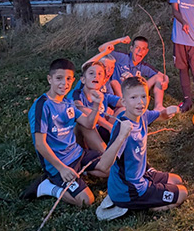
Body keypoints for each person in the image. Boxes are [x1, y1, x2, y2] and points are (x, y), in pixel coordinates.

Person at [24, 59, 132, 207]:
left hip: (77, 154)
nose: (64, 83)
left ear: (73, 80)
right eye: (59, 78)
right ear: (50, 79)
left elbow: (88, 124)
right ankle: (47, 187)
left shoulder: (67, 102)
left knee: (111, 168)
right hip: (59, 164)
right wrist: (61, 168)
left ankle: (81, 172)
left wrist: (96, 104)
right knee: (86, 200)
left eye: (68, 79)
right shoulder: (42, 106)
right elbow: (40, 144)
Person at [96, 76, 187, 220]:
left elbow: (160, 115)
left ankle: (149, 194)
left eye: (143, 96)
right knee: (182, 193)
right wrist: (121, 137)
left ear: (149, 99)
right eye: (133, 97)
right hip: (129, 190)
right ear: (124, 102)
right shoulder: (123, 127)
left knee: (177, 180)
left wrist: (167, 111)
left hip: (141, 174)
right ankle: (143, 205)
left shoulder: (143, 115)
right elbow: (103, 165)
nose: (140, 102)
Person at [104, 36, 169, 111]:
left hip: (134, 93)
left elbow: (163, 76)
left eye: (143, 49)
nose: (140, 51)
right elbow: (102, 49)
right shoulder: (122, 58)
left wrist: (166, 81)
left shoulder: (143, 66)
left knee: (159, 78)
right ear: (131, 48)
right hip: (119, 92)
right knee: (114, 83)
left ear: (146, 51)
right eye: (137, 47)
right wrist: (119, 40)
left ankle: (158, 106)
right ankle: (127, 107)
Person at [72, 61, 122, 151]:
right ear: (83, 80)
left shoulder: (105, 96)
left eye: (100, 74)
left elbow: (126, 102)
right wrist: (109, 126)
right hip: (83, 136)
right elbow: (83, 109)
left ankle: (126, 149)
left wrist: (128, 85)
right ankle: (107, 157)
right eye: (91, 73)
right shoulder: (78, 94)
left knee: (123, 110)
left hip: (101, 132)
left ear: (103, 81)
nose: (96, 76)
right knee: (86, 124)